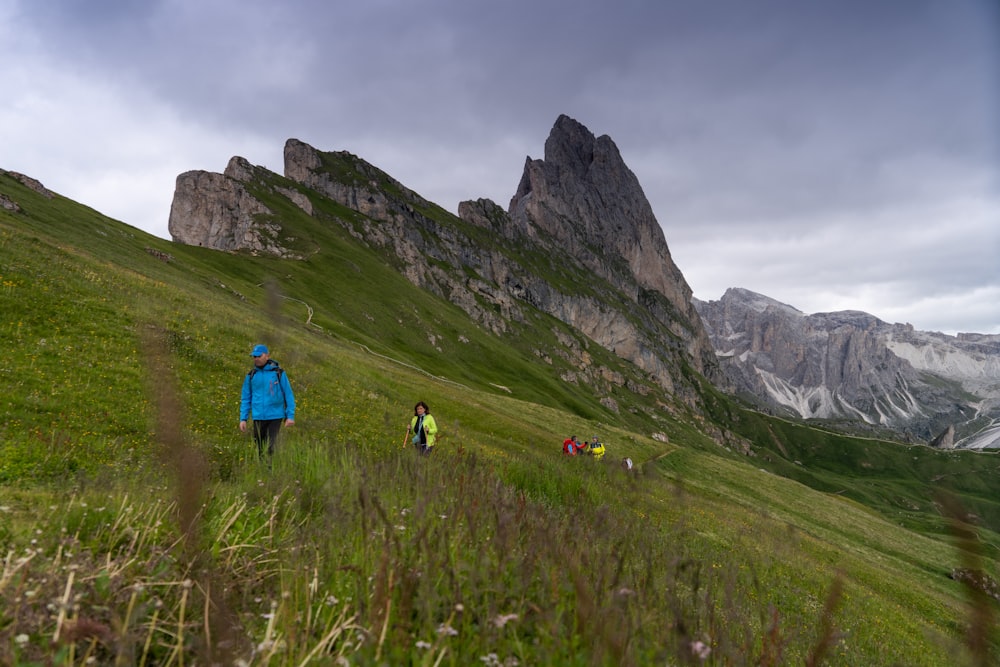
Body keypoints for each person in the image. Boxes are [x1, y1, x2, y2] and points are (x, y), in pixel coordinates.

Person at [240, 344, 295, 460]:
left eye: (259, 356)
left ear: (267, 356)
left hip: (275, 415)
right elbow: (246, 398)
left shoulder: (278, 373)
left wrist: (290, 416)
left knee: (270, 446)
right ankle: (262, 472)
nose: (256, 358)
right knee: (259, 447)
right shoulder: (251, 376)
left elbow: (288, 394)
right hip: (258, 416)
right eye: (254, 356)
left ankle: (270, 470)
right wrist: (243, 419)